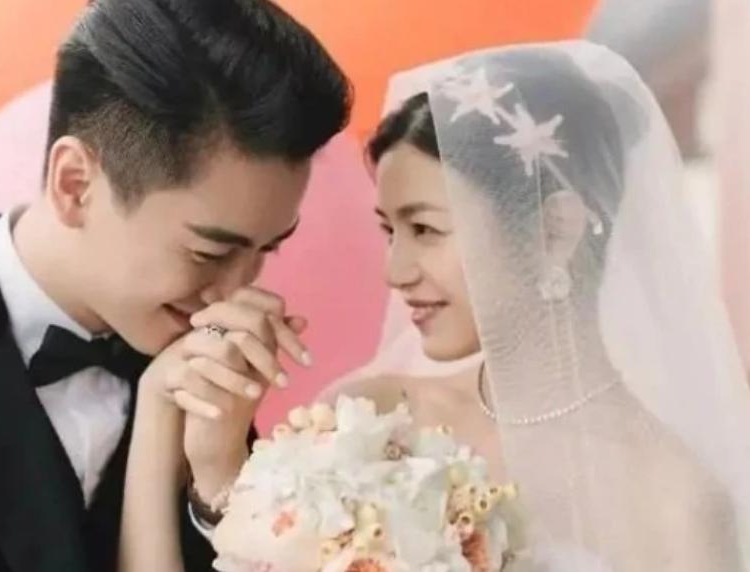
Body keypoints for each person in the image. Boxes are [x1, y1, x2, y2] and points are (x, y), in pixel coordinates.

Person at [181, 42, 750, 570]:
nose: (396, 272)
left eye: (425, 229)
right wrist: (218, 469)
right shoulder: (367, 421)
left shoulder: (677, 501)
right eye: (390, 231)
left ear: (555, 230)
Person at [0, 0, 351, 570]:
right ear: (75, 184)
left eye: (268, 249)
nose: (235, 293)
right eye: (208, 252)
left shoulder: (210, 380)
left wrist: (217, 489)